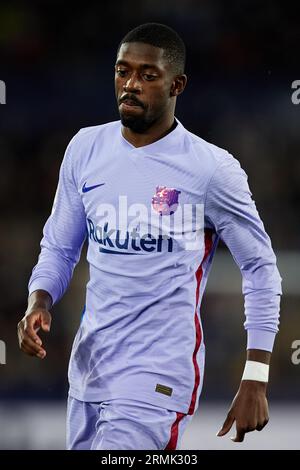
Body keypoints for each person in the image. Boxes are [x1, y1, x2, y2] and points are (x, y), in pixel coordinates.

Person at [17, 22, 282, 450]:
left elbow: (261, 269)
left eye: (147, 75)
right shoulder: (85, 149)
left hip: (157, 379)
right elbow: (60, 247)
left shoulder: (211, 169)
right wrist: (39, 299)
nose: (131, 84)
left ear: (177, 84)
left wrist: (255, 375)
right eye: (123, 72)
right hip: (88, 370)